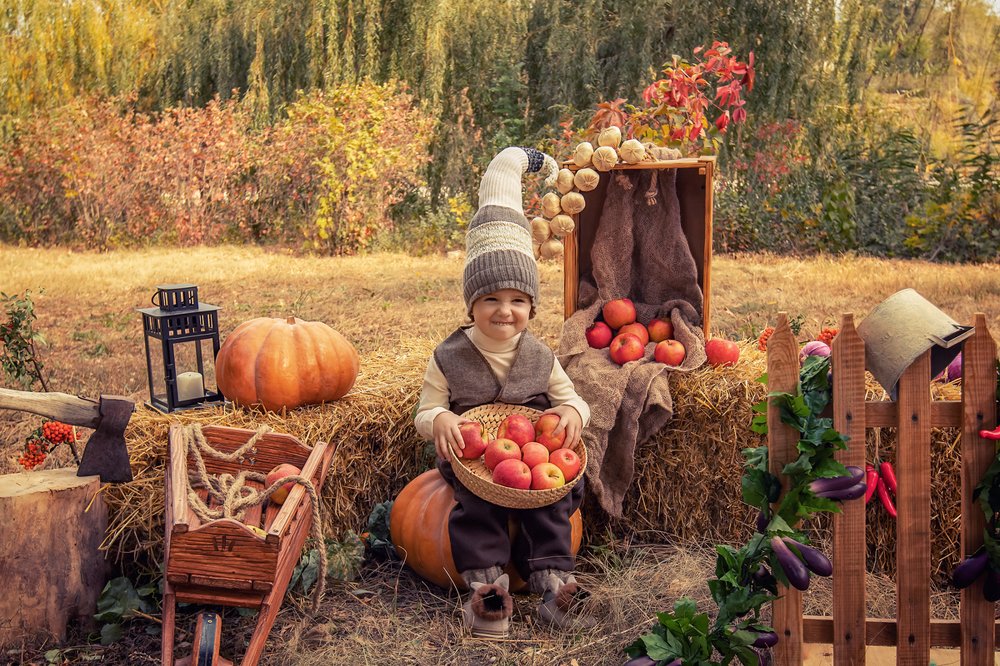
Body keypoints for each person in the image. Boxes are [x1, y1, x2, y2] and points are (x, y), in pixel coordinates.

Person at [414, 146, 593, 638]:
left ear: (531, 305)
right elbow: (426, 410)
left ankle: (554, 583)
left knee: (551, 504)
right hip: (475, 463)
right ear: (472, 303)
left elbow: (570, 398)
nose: (504, 310)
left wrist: (575, 414)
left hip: (533, 456)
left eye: (517, 300)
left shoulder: (541, 356)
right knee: (479, 510)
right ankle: (488, 593)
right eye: (489, 299)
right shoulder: (448, 355)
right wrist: (442, 420)